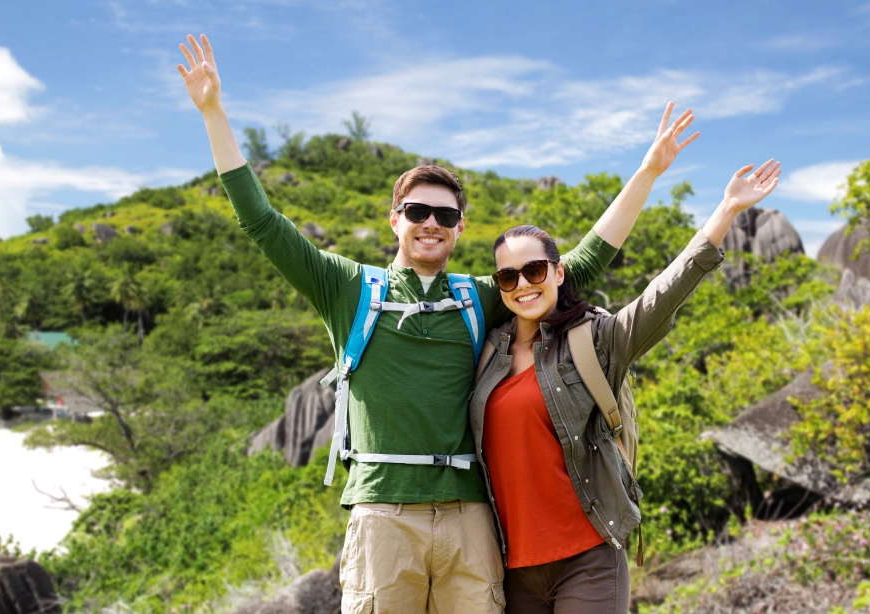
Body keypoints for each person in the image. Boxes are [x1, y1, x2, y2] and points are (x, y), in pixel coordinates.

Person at [176, 32, 699, 614]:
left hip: (471, 518)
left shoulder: (482, 296)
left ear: (460, 227)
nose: (431, 223)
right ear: (394, 219)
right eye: (418, 211)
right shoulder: (349, 288)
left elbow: (577, 262)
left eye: (445, 214)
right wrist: (214, 112)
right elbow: (262, 223)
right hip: (382, 515)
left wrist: (649, 171)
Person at [469, 160, 781, 613]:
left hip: (587, 557)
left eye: (535, 270)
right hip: (510, 568)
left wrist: (727, 209)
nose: (522, 285)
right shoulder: (484, 354)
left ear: (558, 273)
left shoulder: (595, 339)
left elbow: (664, 294)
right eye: (507, 277)